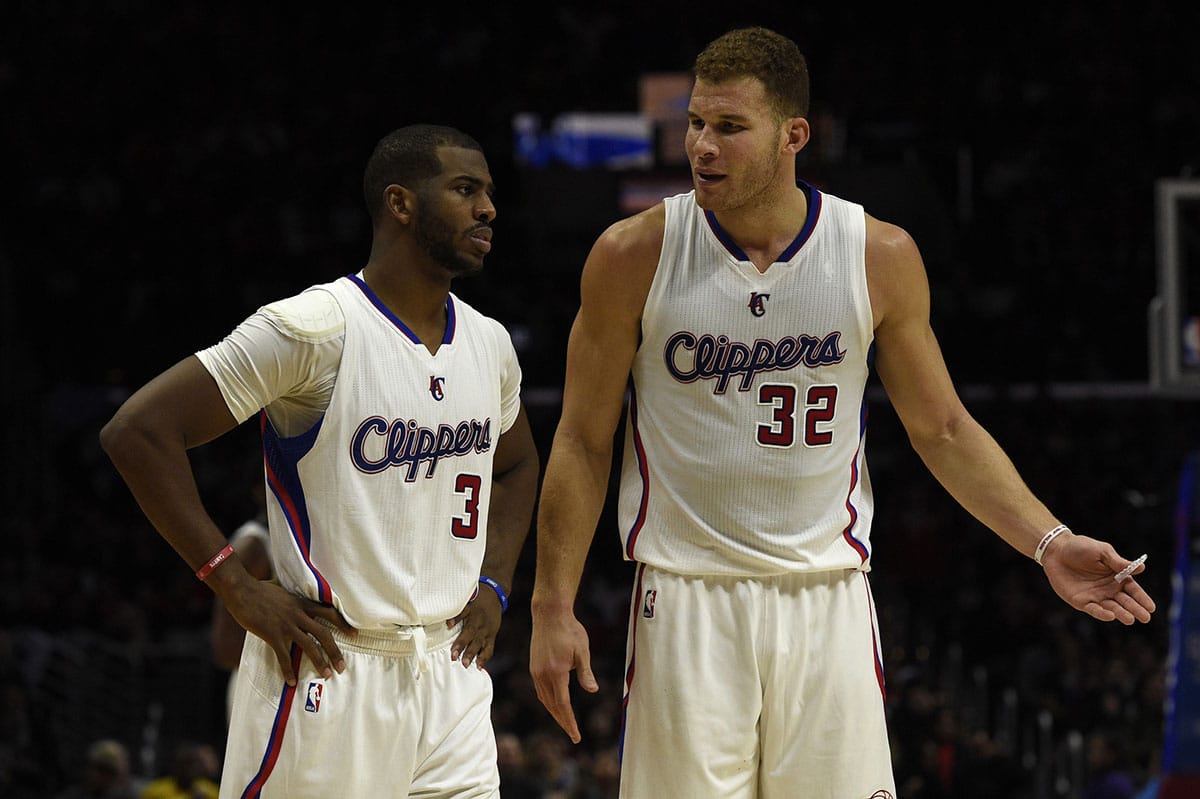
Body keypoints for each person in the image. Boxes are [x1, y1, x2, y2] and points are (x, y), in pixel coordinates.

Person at [528, 25, 1157, 799]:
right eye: (694, 124)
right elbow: (584, 440)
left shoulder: (877, 254)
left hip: (827, 595)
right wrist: (551, 604)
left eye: (729, 127)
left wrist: (1049, 541)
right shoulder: (632, 254)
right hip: (687, 596)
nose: (702, 146)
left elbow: (945, 428)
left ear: (795, 134)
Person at [101, 124, 540, 797]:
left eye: (488, 192)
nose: (488, 209)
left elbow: (516, 466)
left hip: (450, 677)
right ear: (400, 203)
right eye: (465, 189)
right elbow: (138, 431)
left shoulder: (489, 343)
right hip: (332, 670)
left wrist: (496, 584)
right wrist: (236, 585)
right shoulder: (314, 326)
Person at [209, 465, 272, 725]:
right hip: (259, 686)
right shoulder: (253, 545)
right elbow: (224, 646)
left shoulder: (293, 541)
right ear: (259, 491)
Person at [54, 738, 140, 799]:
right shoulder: (74, 795)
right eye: (101, 770)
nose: (105, 777)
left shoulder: (135, 794)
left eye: (111, 772)